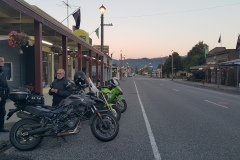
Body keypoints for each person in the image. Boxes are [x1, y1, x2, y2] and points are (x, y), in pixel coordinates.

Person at [0, 56, 10, 132]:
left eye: (3, 61)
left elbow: (5, 83)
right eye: (1, 61)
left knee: (2, 111)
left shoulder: (2, 71)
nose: (3, 62)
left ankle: (1, 127)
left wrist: (8, 92)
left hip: (3, 94)